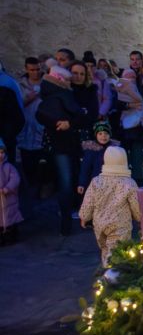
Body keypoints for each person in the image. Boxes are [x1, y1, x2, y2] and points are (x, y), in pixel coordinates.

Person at [36, 65, 89, 235]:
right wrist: (71, 122)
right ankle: (69, 221)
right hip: (66, 144)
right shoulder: (63, 94)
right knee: (68, 182)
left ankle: (66, 222)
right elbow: (80, 116)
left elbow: (40, 115)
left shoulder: (48, 94)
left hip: (58, 144)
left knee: (65, 181)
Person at [79, 146, 141, 268]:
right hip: (120, 225)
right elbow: (136, 205)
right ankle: (114, 278)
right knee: (117, 254)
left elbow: (88, 201)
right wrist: (140, 218)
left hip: (100, 225)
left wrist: (84, 217)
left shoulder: (96, 181)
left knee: (105, 250)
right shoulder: (129, 183)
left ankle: (106, 274)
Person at [16, 57, 45, 187]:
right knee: (26, 163)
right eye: (32, 70)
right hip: (25, 129)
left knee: (42, 163)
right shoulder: (19, 84)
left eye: (38, 69)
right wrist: (29, 99)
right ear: (26, 69)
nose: (35, 72)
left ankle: (40, 189)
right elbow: (15, 106)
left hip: (42, 130)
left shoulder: (47, 83)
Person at [78, 120, 119, 195]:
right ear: (95, 135)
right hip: (95, 184)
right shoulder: (91, 150)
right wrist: (82, 183)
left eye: (106, 133)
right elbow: (85, 168)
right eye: (100, 134)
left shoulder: (115, 149)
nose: (103, 136)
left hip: (112, 183)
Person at [0, 138, 22, 245]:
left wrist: (7, 188)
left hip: (9, 200)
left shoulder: (8, 167)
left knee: (10, 219)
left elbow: (15, 179)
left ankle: (12, 235)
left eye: (2, 152)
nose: (0, 155)